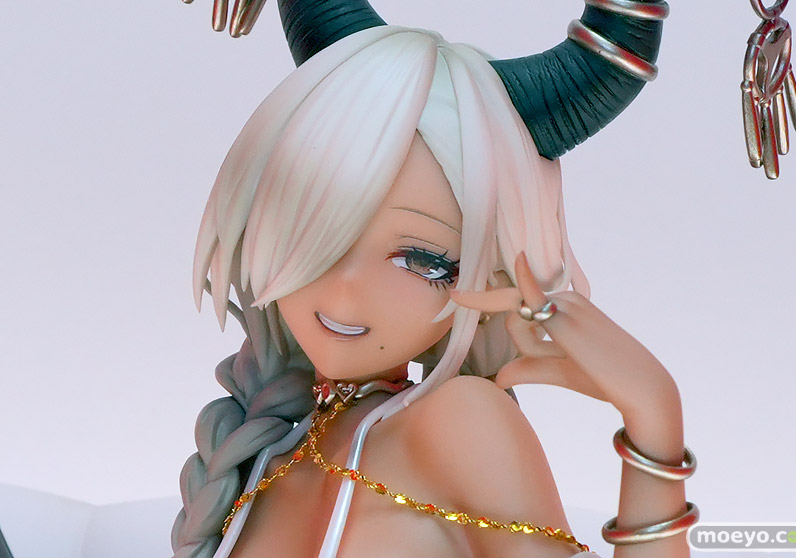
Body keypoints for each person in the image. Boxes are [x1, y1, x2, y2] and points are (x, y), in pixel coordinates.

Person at [172, 2, 696, 557]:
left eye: (423, 261)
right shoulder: (270, 447)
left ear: (488, 273)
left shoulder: (460, 421)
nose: (346, 288)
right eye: (317, 231)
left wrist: (654, 419)